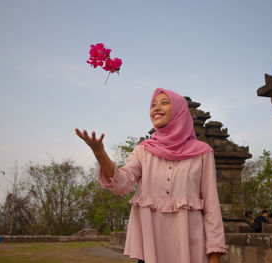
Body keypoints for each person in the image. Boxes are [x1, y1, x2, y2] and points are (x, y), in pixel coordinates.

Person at [75, 88, 228, 263]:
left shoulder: (202, 153)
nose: (156, 108)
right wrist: (99, 153)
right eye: (153, 104)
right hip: (151, 248)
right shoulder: (143, 151)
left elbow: (212, 205)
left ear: (180, 111)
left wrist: (215, 254)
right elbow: (122, 184)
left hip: (191, 249)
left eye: (164, 103)